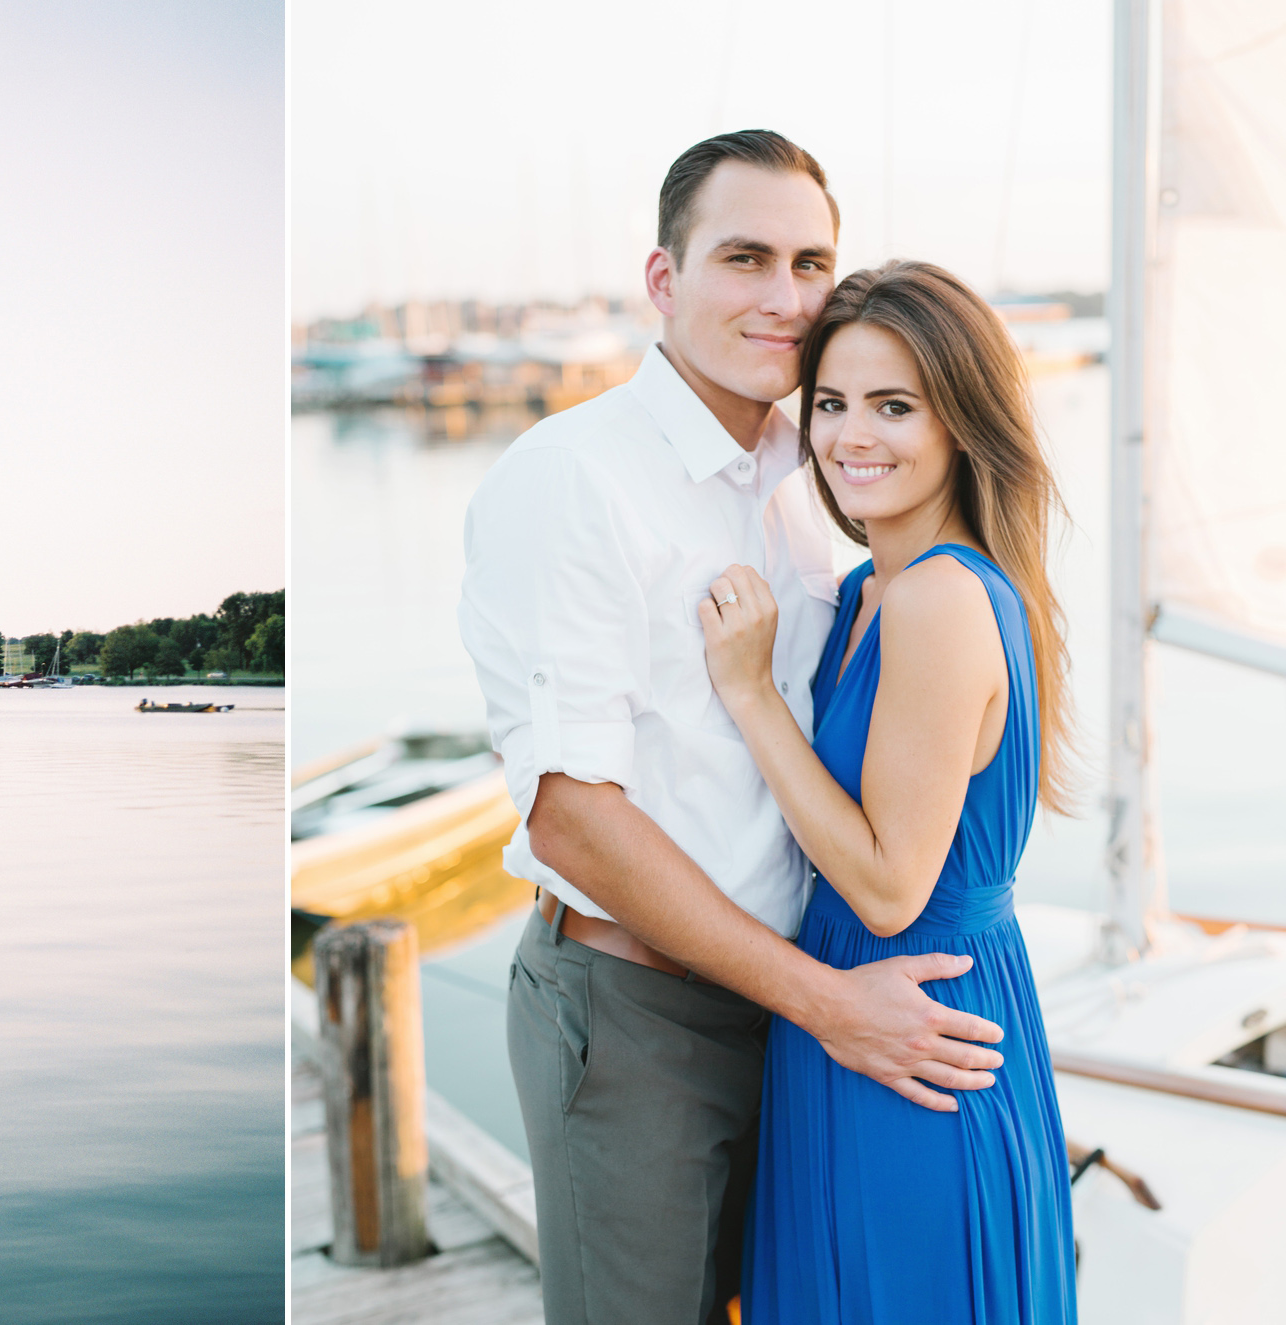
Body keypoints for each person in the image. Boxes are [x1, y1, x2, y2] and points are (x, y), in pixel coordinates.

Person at [457, 130, 1006, 1325]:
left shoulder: (809, 474)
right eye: (743, 257)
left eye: (810, 262)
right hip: (636, 1012)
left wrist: (812, 1001)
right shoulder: (574, 479)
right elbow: (570, 815)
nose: (784, 297)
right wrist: (823, 999)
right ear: (664, 279)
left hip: (792, 1009)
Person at [702, 260, 1076, 1322]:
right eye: (828, 403)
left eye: (892, 405)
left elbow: (884, 886)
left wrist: (749, 694)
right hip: (855, 1016)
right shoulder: (872, 588)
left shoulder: (938, 601)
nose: (848, 435)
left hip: (909, 1027)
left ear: (960, 421)